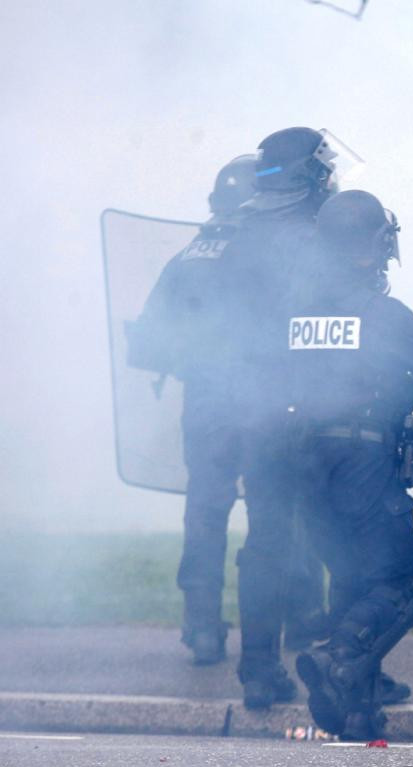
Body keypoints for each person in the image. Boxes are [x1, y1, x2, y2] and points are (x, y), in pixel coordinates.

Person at [289, 190, 413, 741]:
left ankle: (355, 713)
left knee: (349, 580)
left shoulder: (294, 315)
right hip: (364, 463)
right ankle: (336, 657)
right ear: (373, 250)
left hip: (304, 468)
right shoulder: (382, 315)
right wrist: (395, 382)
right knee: (398, 587)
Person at [224, 126, 357, 709]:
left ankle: (258, 668)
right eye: (322, 169)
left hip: (257, 410)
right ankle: (355, 672)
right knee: (348, 538)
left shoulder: (240, 234)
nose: (330, 177)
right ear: (307, 177)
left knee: (266, 544)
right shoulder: (320, 238)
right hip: (318, 412)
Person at [126, 155, 256, 665]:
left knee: (204, 516)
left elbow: (147, 342)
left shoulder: (187, 256)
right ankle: (287, 630)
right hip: (261, 403)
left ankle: (202, 629)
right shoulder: (265, 251)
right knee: (276, 516)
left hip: (203, 406)